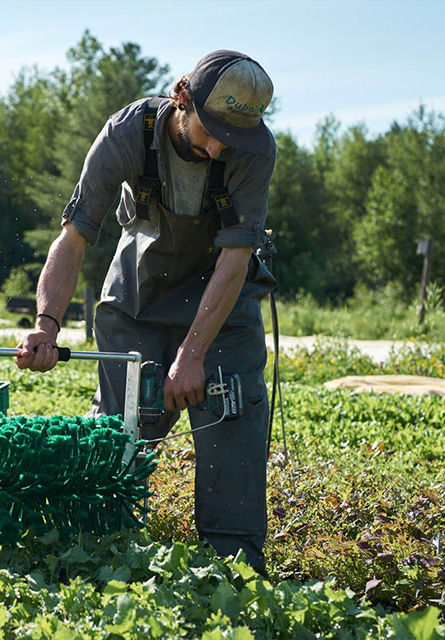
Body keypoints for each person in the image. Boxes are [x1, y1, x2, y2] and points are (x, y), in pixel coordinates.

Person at [14, 50, 278, 572]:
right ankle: (94, 550)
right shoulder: (127, 133)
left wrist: (193, 355)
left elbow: (235, 260)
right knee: (124, 430)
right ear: (182, 98)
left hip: (222, 308)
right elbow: (73, 238)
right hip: (137, 300)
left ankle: (234, 570)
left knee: (232, 419)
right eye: (212, 130)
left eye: (234, 137)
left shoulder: (254, 150)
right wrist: (46, 326)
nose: (220, 146)